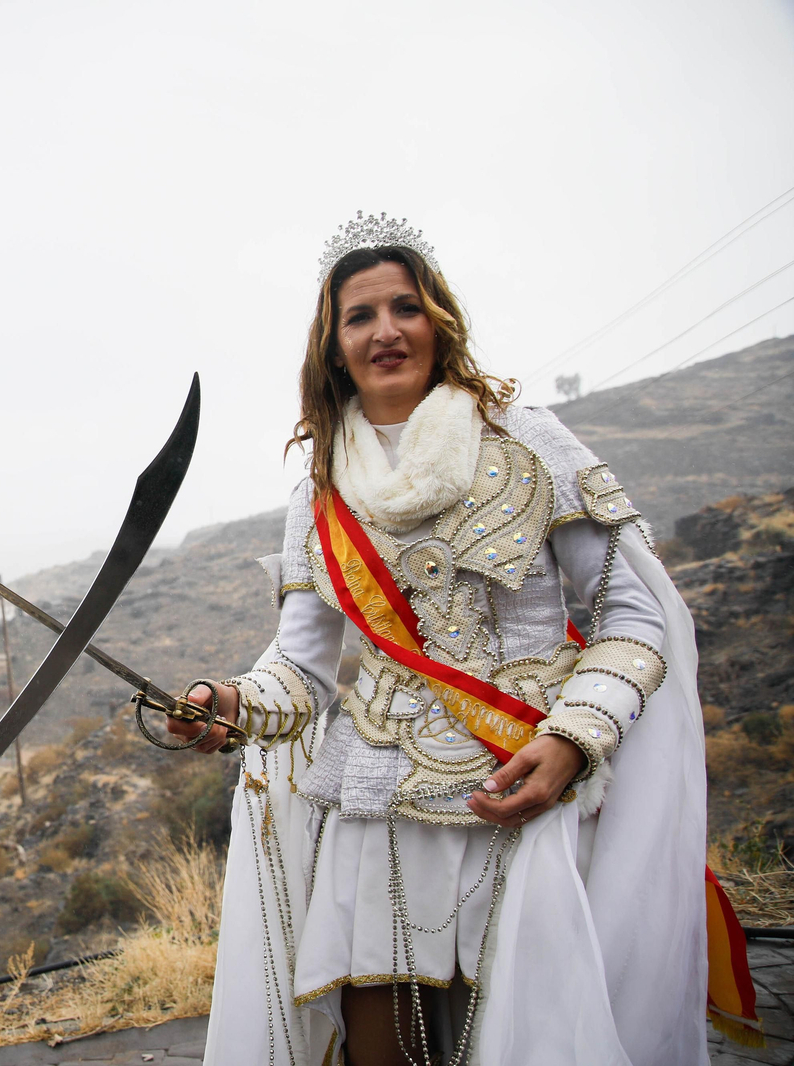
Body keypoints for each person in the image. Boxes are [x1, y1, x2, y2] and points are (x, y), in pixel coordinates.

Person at [174, 214, 716, 1065]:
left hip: (525, 780)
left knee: (529, 1038)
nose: (386, 330)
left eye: (405, 307)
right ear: (333, 344)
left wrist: (575, 740)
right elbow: (304, 671)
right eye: (361, 316)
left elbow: (636, 615)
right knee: (379, 1049)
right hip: (372, 797)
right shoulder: (316, 489)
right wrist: (231, 703)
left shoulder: (526, 438)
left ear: (439, 319)